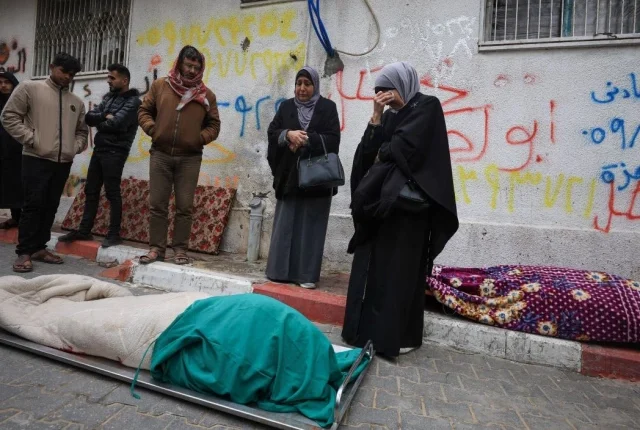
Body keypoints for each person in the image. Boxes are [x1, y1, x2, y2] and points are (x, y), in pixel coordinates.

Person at [341, 62, 459, 357]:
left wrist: (385, 151)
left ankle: (400, 338)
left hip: (410, 213)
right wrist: (376, 117)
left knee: (401, 275)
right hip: (382, 208)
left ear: (403, 85)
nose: (384, 96)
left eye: (388, 90)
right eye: (379, 91)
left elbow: (405, 149)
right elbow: (367, 155)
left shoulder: (427, 106)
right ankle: (364, 333)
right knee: (375, 272)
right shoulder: (388, 116)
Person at [1, 52, 88, 273]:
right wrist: (32, 139)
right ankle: (24, 252)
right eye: (64, 71)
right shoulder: (30, 89)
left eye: (72, 74)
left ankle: (40, 247)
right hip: (35, 158)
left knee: (51, 206)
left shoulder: (76, 102)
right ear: (52, 66)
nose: (67, 77)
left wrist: (74, 147)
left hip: (62, 161)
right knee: (33, 205)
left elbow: (82, 131)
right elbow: (9, 116)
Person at [138, 45, 220, 265]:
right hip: (160, 154)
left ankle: (180, 250)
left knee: (185, 207)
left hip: (190, 158)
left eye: (196, 67)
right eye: (188, 65)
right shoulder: (160, 86)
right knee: (158, 205)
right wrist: (153, 129)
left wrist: (198, 138)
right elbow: (144, 111)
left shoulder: (207, 95)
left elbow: (214, 125)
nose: (192, 70)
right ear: (179, 64)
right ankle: (156, 249)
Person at [266, 66, 341, 289]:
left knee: (311, 227)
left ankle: (306, 275)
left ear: (315, 86)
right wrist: (287, 134)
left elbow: (333, 139)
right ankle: (279, 272)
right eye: (299, 83)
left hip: (316, 179)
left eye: (307, 84)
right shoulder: (286, 107)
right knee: (286, 224)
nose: (302, 88)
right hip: (289, 176)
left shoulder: (328, 108)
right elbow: (272, 132)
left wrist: (307, 140)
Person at [58, 64, 141, 248]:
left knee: (112, 192)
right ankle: (84, 231)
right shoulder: (109, 98)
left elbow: (116, 124)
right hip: (100, 149)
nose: (108, 80)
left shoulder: (134, 102)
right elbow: (89, 117)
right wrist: (105, 116)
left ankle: (114, 234)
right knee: (91, 190)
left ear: (124, 80)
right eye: (108, 77)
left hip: (115, 152)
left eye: (112, 78)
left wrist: (102, 121)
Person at [0, 71, 22, 230]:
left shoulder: (21, 102)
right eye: (0, 83)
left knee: (19, 184)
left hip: (18, 151)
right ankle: (15, 217)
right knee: (5, 184)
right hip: (2, 151)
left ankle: (21, 218)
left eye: (6, 82)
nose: (3, 85)